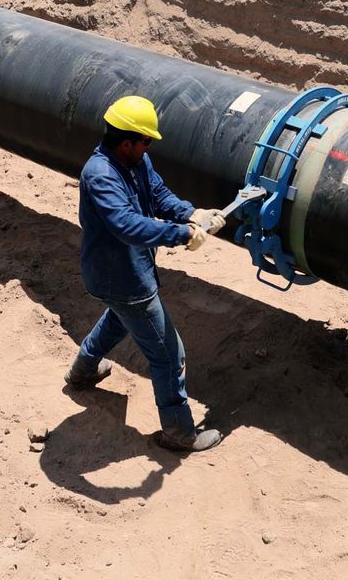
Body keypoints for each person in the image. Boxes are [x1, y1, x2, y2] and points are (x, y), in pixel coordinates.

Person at [65, 95, 227, 453]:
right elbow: (126, 226)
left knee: (120, 320)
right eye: (145, 140)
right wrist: (180, 235)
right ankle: (180, 433)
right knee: (169, 355)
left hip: (122, 274)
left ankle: (82, 371)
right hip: (122, 277)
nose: (149, 146)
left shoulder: (137, 161)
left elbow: (158, 194)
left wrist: (191, 214)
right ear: (126, 142)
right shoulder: (101, 176)